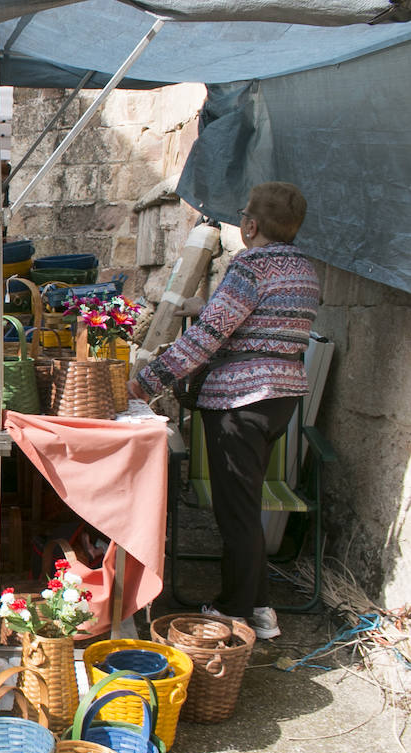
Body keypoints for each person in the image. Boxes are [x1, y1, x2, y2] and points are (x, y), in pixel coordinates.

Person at [131, 182, 319, 642]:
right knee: (245, 505)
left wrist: (147, 381)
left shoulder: (251, 266)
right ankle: (260, 608)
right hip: (282, 398)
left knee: (235, 511)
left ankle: (235, 607)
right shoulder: (306, 271)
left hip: (240, 399)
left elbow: (207, 336)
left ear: (250, 225)